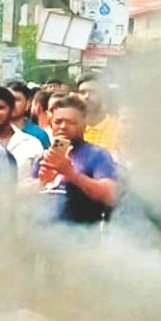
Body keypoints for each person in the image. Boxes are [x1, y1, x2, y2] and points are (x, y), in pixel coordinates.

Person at [39, 95, 120, 225]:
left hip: (81, 238)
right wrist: (41, 181)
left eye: (71, 122)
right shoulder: (45, 156)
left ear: (84, 124)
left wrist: (70, 173)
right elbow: (20, 194)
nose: (63, 127)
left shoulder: (98, 155)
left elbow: (110, 195)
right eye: (58, 122)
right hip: (45, 236)